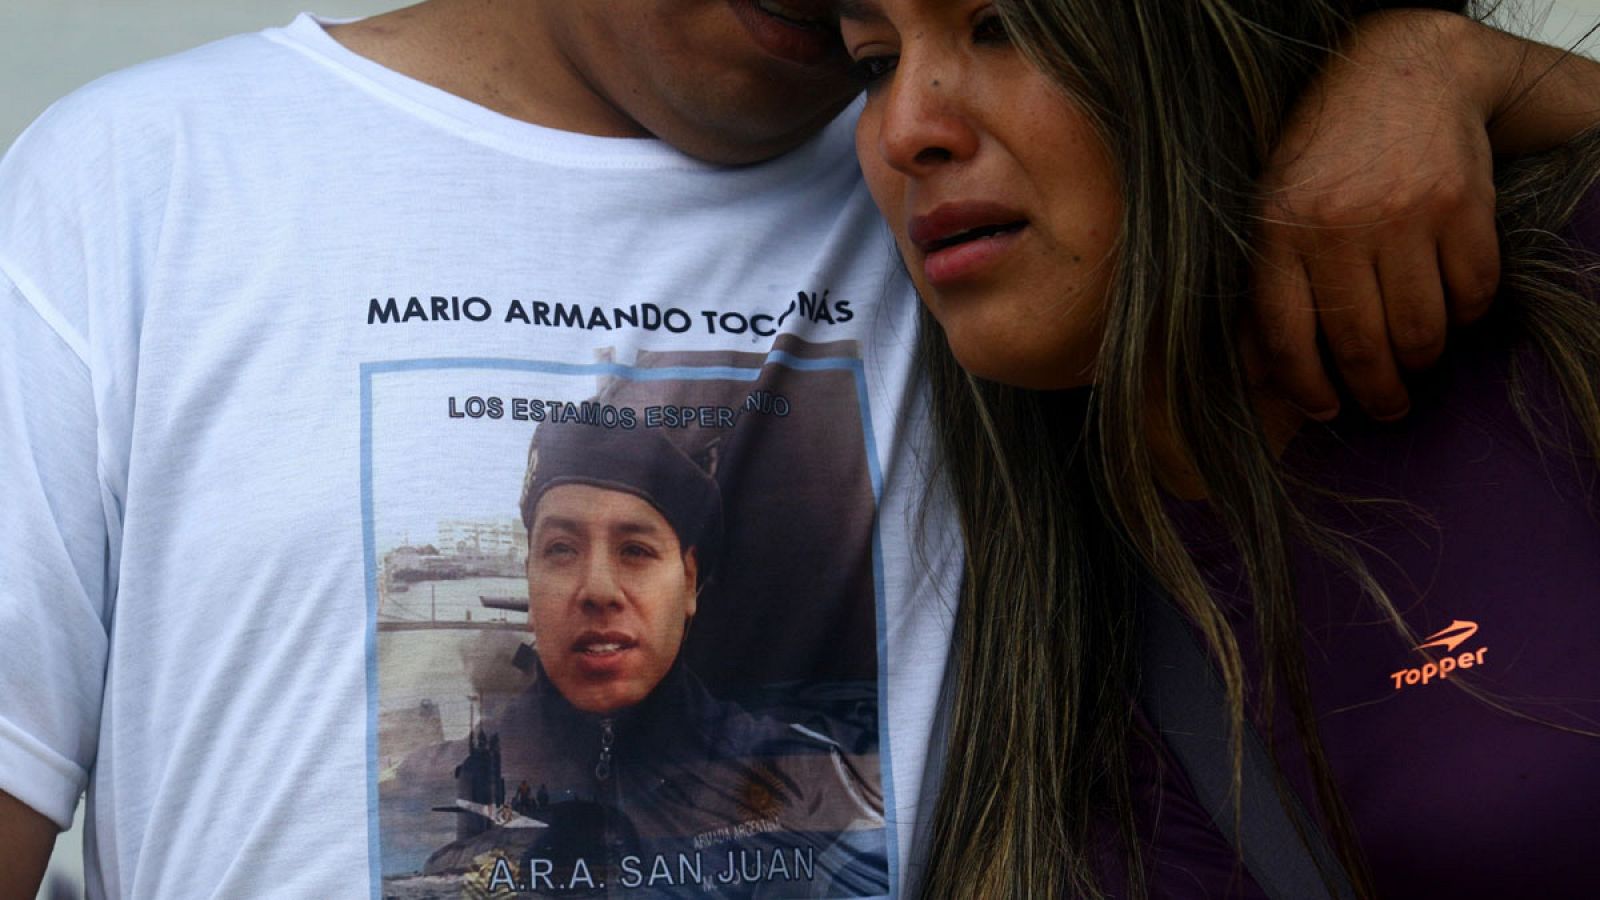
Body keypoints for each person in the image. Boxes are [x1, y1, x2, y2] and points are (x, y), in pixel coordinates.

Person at [0, 0, 1588, 895]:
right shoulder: (142, 186)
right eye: (887, 48)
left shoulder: (965, 216)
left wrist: (1450, 63)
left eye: (971, 30)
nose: (908, 108)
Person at [838, 0, 1600, 896]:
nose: (903, 131)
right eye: (872, 62)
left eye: (1005, 26)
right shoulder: (987, 560)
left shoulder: (1561, 320)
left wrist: (1460, 59)